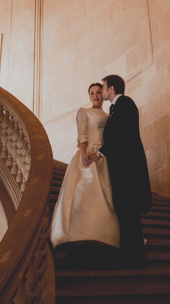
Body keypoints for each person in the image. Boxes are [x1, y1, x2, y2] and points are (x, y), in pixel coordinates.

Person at [85, 74, 151, 268]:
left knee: (128, 211)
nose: (102, 91)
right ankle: (131, 254)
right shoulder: (116, 107)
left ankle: (136, 258)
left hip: (128, 168)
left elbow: (121, 134)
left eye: (103, 87)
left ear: (111, 88)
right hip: (121, 168)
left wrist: (99, 153)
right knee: (124, 210)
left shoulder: (125, 104)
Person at [50, 83, 120, 252]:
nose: (95, 96)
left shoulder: (108, 114)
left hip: (104, 157)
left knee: (107, 196)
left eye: (98, 92)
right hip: (88, 154)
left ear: (103, 94)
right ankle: (78, 236)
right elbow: (82, 134)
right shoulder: (84, 111)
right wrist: (83, 152)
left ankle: (106, 236)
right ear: (89, 96)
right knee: (84, 192)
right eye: (92, 93)